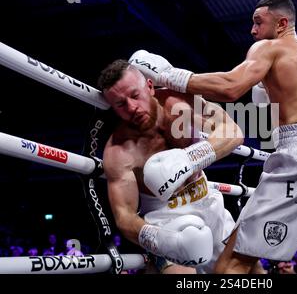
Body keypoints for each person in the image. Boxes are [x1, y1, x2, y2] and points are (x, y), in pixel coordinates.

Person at [128, 0, 297, 274]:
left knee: (230, 268)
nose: (253, 30)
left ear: (282, 22)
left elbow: (230, 87)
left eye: (258, 22)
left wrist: (168, 76)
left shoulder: (268, 48)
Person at [98, 59, 243, 274]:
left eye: (135, 95)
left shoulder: (179, 104)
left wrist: (189, 159)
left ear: (149, 87)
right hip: (166, 220)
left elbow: (232, 132)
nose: (132, 108)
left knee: (253, 271)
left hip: (210, 204)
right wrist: (165, 241)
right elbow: (125, 217)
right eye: (120, 104)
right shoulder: (119, 152)